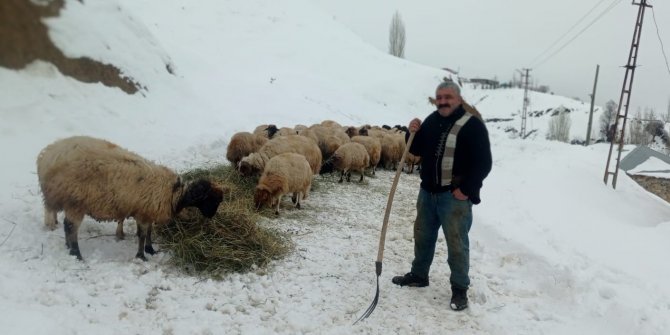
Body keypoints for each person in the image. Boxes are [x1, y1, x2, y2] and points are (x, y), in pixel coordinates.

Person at [392, 81, 492, 311]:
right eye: (440, 97)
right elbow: (416, 150)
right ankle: (419, 275)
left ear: (458, 99)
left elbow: (484, 162)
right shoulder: (432, 120)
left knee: (456, 243)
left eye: (448, 97)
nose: (443, 101)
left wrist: (466, 189)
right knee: (423, 236)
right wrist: (412, 131)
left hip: (454, 197)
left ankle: (459, 289)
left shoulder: (472, 125)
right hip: (427, 193)